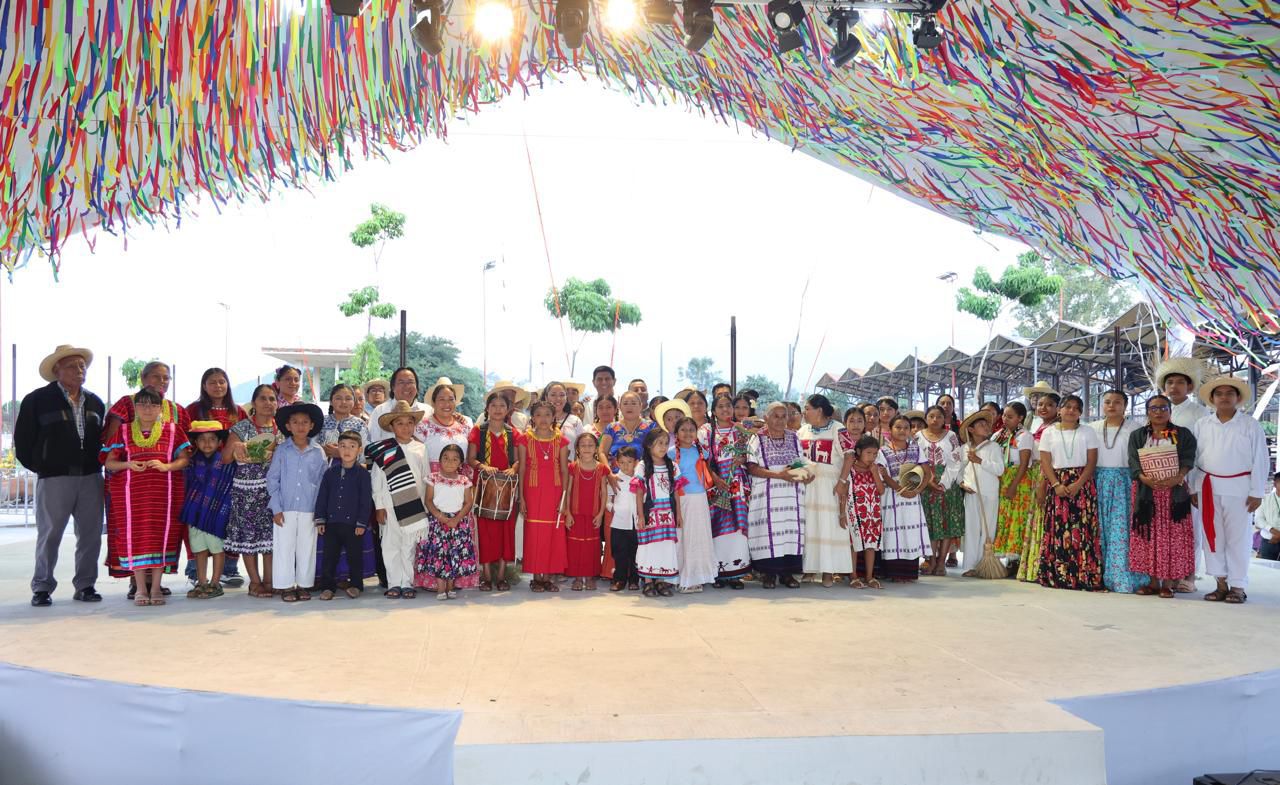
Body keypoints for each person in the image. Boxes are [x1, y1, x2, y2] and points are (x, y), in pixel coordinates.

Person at [17, 344, 107, 607]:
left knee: (90, 534)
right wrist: (43, 466)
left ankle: (86, 585)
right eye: (72, 366)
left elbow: (101, 440)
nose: (79, 370)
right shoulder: (37, 400)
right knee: (50, 534)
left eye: (82, 366)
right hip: (54, 478)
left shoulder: (95, 402)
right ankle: (42, 587)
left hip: (91, 477)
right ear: (57, 370)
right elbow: (23, 441)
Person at [101, 388, 191, 606]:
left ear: (161, 408)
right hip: (132, 498)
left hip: (164, 496)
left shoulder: (173, 430)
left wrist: (167, 466)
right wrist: (128, 464)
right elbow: (109, 462)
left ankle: (156, 587)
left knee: (162, 537)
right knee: (136, 538)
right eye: (142, 404)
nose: (147, 409)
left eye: (153, 405)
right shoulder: (123, 431)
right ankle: (141, 588)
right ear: (135, 408)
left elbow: (185, 459)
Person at [1193, 375, 1269, 605]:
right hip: (1208, 487)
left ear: (1237, 398)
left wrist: (1257, 491)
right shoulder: (1202, 425)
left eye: (1229, 393)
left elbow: (1260, 459)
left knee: (1238, 538)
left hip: (1240, 489)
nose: (1224, 397)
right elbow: (1195, 459)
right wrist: (1193, 488)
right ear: (1212, 398)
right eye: (1219, 394)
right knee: (1212, 536)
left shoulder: (1249, 425)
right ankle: (1220, 584)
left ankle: (1237, 586)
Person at [1128, 395, 1196, 598]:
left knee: (1172, 536)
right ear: (1147, 412)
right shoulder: (1138, 435)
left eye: (1163, 408)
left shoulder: (1182, 434)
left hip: (1174, 493)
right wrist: (1144, 478)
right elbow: (1133, 460)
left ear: (1170, 411)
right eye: (1154, 408)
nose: (1159, 412)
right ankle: (1152, 582)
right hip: (1146, 492)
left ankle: (1168, 583)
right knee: (1147, 535)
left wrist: (1178, 477)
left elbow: (1188, 458)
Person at [1037, 394, 1102, 590]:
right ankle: (1058, 575)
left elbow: (1092, 461)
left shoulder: (1088, 431)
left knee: (1083, 529)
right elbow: (1045, 461)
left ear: (1081, 412)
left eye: (1076, 408)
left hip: (1082, 483)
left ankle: (1083, 574)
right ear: (1060, 410)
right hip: (1057, 482)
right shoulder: (1049, 432)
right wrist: (1056, 484)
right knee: (1058, 529)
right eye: (1067, 406)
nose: (1071, 410)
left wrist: (1079, 484)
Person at [368, 400, 430, 599]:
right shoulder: (384, 450)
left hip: (414, 505)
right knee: (390, 545)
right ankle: (394, 583)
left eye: (410, 423)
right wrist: (379, 506)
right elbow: (377, 480)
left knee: (409, 546)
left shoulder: (421, 448)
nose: (405, 427)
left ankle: (407, 583)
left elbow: (425, 477)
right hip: (389, 504)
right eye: (400, 423)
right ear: (392, 426)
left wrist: (424, 505)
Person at [223, 385, 281, 597]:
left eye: (272, 399)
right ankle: (255, 582)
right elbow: (225, 458)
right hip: (246, 491)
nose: (268, 403)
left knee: (270, 536)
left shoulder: (282, 429)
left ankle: (270, 581)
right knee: (249, 537)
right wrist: (237, 446)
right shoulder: (241, 428)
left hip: (274, 490)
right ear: (254, 402)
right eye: (263, 398)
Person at [746, 402, 811, 589]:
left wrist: (804, 472)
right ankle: (768, 574)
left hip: (792, 497)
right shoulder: (757, 439)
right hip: (767, 496)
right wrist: (778, 475)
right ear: (766, 418)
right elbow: (752, 467)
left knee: (790, 532)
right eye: (776, 416)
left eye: (784, 416)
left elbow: (801, 462)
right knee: (767, 534)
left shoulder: (794, 437)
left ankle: (787, 574)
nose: (781, 420)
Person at [267, 402, 327, 603]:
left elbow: (322, 482)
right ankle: (285, 586)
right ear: (288, 426)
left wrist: (320, 512)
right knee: (284, 547)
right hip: (285, 508)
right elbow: (272, 480)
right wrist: (276, 508)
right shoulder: (282, 451)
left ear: (311, 425)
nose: (300, 426)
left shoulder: (318, 451)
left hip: (310, 508)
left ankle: (303, 585)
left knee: (307, 548)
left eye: (305, 422)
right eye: (295, 422)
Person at [1091, 389, 1147, 593]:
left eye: (1117, 402)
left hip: (1125, 482)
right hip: (1098, 480)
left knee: (1121, 530)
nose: (1111, 406)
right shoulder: (1092, 428)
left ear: (1125, 406)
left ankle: (1122, 576)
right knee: (1099, 529)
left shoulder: (1136, 428)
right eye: (1107, 402)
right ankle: (1097, 574)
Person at [468, 392, 524, 592]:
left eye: (502, 405)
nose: (498, 409)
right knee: (485, 533)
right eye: (494, 405)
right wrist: (483, 466)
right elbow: (471, 459)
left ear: (508, 409)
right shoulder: (478, 431)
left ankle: (501, 576)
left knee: (505, 533)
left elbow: (518, 460)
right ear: (487, 408)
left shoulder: (513, 433)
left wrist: (514, 469)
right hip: (484, 488)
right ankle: (486, 575)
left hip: (507, 489)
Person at [797, 394, 851, 585]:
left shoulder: (838, 429)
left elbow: (850, 456)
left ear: (819, 410)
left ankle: (828, 571)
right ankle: (809, 570)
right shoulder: (802, 431)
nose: (804, 412)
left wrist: (842, 481)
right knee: (810, 527)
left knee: (829, 526)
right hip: (808, 485)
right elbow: (797, 457)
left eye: (807, 408)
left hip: (830, 485)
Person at [699, 394, 751, 589]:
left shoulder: (740, 429)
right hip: (716, 482)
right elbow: (702, 458)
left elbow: (750, 453)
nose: (725, 410)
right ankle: (718, 573)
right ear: (713, 411)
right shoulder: (706, 430)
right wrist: (715, 477)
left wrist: (743, 459)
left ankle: (736, 573)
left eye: (729, 406)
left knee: (737, 529)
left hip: (737, 483)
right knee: (717, 527)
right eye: (720, 406)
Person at [314, 430, 373, 601]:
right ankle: (327, 587)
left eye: (352, 446)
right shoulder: (330, 473)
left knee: (354, 556)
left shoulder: (363, 474)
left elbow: (365, 500)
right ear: (337, 449)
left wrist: (362, 523)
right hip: (332, 523)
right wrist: (320, 519)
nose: (347, 450)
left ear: (359, 450)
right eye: (343, 446)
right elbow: (322, 496)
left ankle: (356, 585)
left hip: (353, 525)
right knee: (329, 556)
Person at [179, 421, 234, 599]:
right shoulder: (191, 461)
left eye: (212, 439)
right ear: (196, 442)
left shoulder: (225, 461)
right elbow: (186, 485)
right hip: (195, 513)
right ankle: (202, 583)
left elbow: (228, 487)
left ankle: (215, 583)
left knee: (217, 548)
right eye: (202, 439)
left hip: (216, 513)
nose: (207, 443)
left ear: (220, 442)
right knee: (199, 549)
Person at [520, 401, 569, 593]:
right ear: (532, 417)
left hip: (555, 491)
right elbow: (522, 469)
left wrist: (564, 499)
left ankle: (547, 577)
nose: (543, 419)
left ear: (553, 417)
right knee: (534, 534)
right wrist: (521, 498)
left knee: (552, 534)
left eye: (547, 414)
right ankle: (536, 578)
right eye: (538, 414)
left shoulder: (561, 440)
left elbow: (564, 470)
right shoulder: (525, 439)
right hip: (532, 492)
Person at [419, 444, 478, 601]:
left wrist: (456, 519)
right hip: (438, 522)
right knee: (439, 554)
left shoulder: (464, 481)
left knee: (454, 554)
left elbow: (468, 503)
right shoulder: (433, 478)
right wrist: (441, 517)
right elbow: (428, 500)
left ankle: (450, 586)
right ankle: (440, 588)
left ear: (460, 463)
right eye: (445, 458)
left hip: (458, 523)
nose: (450, 462)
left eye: (454, 459)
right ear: (439, 460)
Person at [878, 414, 932, 582]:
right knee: (893, 534)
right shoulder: (883, 451)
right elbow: (884, 475)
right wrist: (900, 489)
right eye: (898, 427)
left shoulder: (916, 449)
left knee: (911, 534)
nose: (902, 431)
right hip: (892, 496)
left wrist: (917, 491)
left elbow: (927, 472)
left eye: (906, 428)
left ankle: (908, 573)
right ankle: (894, 573)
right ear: (890, 429)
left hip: (912, 499)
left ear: (910, 431)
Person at [670, 417, 719, 593]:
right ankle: (682, 577)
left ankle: (698, 576)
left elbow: (708, 472)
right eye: (683, 430)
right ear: (676, 433)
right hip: (682, 499)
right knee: (683, 536)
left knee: (699, 537)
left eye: (691, 430)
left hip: (700, 498)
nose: (688, 433)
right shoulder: (670, 453)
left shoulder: (701, 451)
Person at [1017, 393, 1060, 583]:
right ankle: (1033, 566)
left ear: (1058, 408)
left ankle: (1042, 566)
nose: (1043, 408)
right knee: (1035, 519)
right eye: (1040, 404)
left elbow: (1050, 458)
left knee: (1043, 517)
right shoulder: (1038, 425)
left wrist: (1044, 481)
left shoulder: (1056, 429)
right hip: (1034, 474)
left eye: (1049, 405)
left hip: (1046, 474)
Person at [917, 405, 963, 576]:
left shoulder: (951, 436)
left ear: (945, 419)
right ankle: (931, 560)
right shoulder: (917, 437)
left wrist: (943, 483)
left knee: (946, 523)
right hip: (925, 484)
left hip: (948, 485)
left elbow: (955, 461)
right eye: (931, 416)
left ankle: (942, 561)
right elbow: (915, 460)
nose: (935, 420)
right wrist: (928, 480)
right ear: (926, 418)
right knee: (929, 523)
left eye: (939, 417)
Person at [635, 428, 680, 597]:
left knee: (665, 546)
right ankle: (648, 581)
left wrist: (679, 514)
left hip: (667, 513)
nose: (663, 447)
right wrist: (641, 515)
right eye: (659, 443)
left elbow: (676, 492)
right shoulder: (642, 466)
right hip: (650, 513)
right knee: (649, 546)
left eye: (666, 443)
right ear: (649, 445)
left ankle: (661, 580)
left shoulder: (672, 466)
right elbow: (639, 492)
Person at [957, 411, 1004, 575]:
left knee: (987, 528)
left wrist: (979, 461)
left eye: (986, 425)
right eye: (981, 425)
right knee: (971, 528)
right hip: (972, 492)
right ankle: (970, 566)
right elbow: (958, 470)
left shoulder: (994, 447)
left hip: (989, 492)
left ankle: (984, 565)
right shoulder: (964, 448)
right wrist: (962, 484)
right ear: (971, 429)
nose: (986, 427)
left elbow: (999, 469)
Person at [992, 403, 1034, 572]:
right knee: (1005, 517)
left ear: (1020, 418)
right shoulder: (999, 435)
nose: (1005, 419)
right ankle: (1008, 558)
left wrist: (1013, 485)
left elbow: (1024, 464)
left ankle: (1017, 560)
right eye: (1004, 415)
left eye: (1010, 417)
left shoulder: (1024, 436)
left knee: (1017, 517)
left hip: (1019, 479)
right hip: (1003, 477)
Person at [564, 432, 608, 590]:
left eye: (590, 445)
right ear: (577, 449)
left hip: (593, 514)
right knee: (575, 545)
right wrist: (567, 513)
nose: (587, 448)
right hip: (575, 514)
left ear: (596, 448)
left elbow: (604, 493)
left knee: (592, 546)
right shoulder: (572, 467)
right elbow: (568, 491)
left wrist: (601, 514)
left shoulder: (602, 469)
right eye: (583, 445)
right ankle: (577, 577)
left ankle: (590, 577)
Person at [846, 435, 883, 588]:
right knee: (853, 545)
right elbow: (844, 493)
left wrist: (875, 473)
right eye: (868, 453)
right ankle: (853, 576)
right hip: (854, 513)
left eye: (875, 454)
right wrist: (842, 514)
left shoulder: (875, 469)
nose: (872, 457)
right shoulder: (850, 469)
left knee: (871, 544)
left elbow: (881, 490)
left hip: (872, 513)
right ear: (859, 451)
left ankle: (869, 576)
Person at [367, 367, 431, 444]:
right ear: (393, 387)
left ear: (417, 387)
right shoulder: (380, 411)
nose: (406, 386)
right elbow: (372, 442)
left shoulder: (428, 411)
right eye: (401, 382)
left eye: (410, 382)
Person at [608, 446, 642, 591]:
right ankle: (619, 580)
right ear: (617, 463)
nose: (625, 465)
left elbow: (644, 498)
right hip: (619, 522)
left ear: (636, 462)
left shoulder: (640, 480)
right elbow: (608, 498)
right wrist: (612, 508)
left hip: (635, 523)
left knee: (635, 552)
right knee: (619, 552)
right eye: (622, 462)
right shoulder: (615, 479)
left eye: (629, 462)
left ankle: (634, 580)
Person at [601, 391, 655, 468]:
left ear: (640, 406)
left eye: (633, 403)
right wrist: (609, 472)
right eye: (625, 403)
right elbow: (602, 452)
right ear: (620, 406)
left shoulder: (651, 426)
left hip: (643, 472)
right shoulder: (611, 427)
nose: (629, 407)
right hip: (616, 474)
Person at [544, 381, 585, 459]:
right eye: (553, 395)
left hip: (568, 466)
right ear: (546, 398)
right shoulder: (537, 420)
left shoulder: (576, 421)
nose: (558, 398)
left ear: (566, 398)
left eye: (562, 395)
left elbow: (582, 448)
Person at [1253, 472, 1280, 562]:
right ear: (1275, 484)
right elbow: (1258, 520)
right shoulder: (1265, 499)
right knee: (1267, 567)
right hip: (1269, 541)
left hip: (1274, 538)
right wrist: (1275, 532)